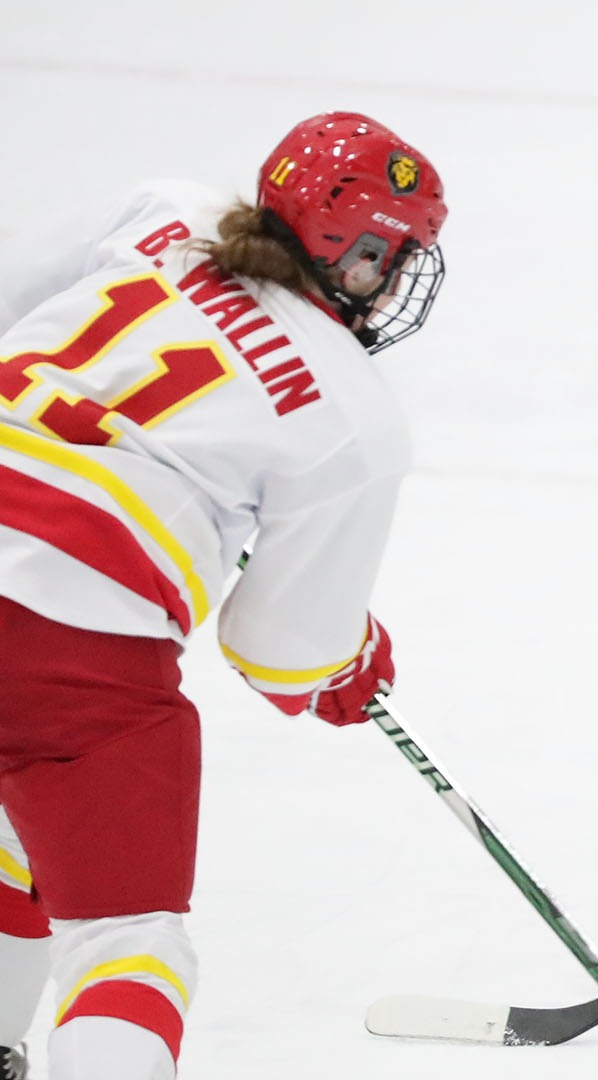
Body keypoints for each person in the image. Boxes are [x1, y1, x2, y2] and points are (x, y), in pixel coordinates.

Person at [0, 111, 448, 1078]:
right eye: (394, 258)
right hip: (64, 649)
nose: (399, 281)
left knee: (10, 846)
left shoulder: (161, 212)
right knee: (125, 944)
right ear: (357, 254)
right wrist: (346, 663)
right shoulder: (352, 419)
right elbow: (285, 652)